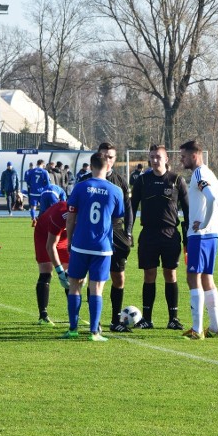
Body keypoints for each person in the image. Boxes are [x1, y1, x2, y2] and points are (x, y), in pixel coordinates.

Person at [62, 152, 125, 341]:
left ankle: (73, 328)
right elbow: (117, 217)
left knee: (75, 285)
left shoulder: (80, 187)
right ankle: (94, 332)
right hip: (102, 246)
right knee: (96, 288)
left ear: (90, 166)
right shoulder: (115, 190)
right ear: (107, 166)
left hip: (80, 244)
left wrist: (70, 240)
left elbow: (71, 218)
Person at [130, 144, 190, 330]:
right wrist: (128, 232)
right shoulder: (142, 180)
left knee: (170, 274)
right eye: (152, 157)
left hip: (170, 234)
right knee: (149, 275)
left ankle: (173, 318)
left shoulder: (176, 180)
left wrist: (188, 235)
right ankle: (147, 319)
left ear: (166, 159)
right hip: (148, 234)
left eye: (158, 157)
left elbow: (188, 209)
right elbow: (131, 208)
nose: (155, 160)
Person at [81, 142, 134, 333]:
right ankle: (95, 321)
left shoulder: (120, 181)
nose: (107, 160)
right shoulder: (86, 181)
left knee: (118, 278)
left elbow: (129, 210)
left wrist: (128, 233)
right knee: (95, 279)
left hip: (116, 234)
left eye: (111, 156)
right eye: (104, 156)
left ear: (115, 159)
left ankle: (115, 320)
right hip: (94, 236)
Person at [179, 140, 218, 340]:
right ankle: (215, 328)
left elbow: (212, 198)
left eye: (183, 156)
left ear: (194, 155)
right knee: (207, 277)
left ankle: (197, 329)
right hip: (213, 233)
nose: (181, 159)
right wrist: (212, 220)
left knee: (193, 277)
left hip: (200, 235)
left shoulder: (199, 173)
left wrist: (204, 221)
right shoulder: (209, 172)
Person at [33, 190, 70, 326]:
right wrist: (60, 271)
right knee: (46, 271)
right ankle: (43, 316)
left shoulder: (85, 214)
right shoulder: (60, 215)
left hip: (65, 236)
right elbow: (50, 246)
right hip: (44, 235)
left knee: (70, 274)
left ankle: (73, 315)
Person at [24, 160, 51, 227]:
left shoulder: (32, 171)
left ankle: (33, 219)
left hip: (33, 192)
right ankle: (42, 219)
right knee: (43, 207)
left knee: (33, 207)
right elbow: (48, 183)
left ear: (37, 164)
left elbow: (27, 180)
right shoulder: (45, 172)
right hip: (41, 192)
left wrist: (32, 185)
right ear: (43, 164)